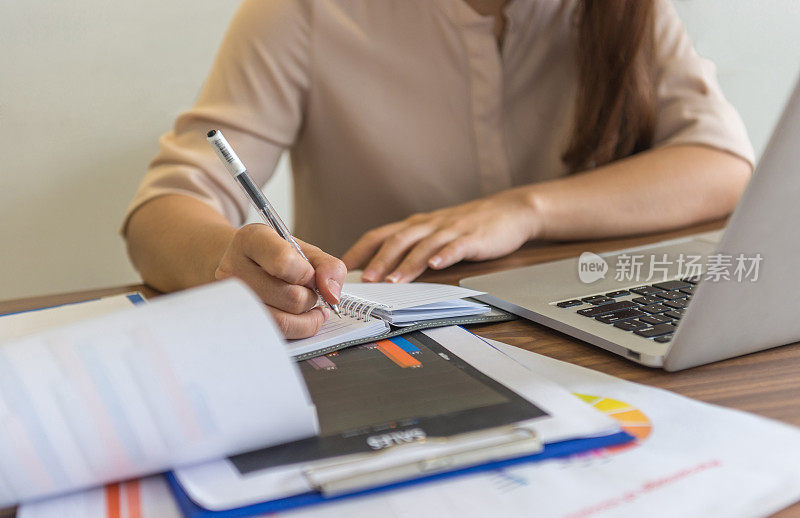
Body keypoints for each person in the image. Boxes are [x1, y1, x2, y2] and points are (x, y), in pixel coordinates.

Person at [123, 0, 754, 340]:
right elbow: (162, 213)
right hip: (376, 341)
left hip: (576, 335)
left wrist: (525, 211)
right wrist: (228, 262)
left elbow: (723, 165)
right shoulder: (303, 13)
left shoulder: (626, 11)